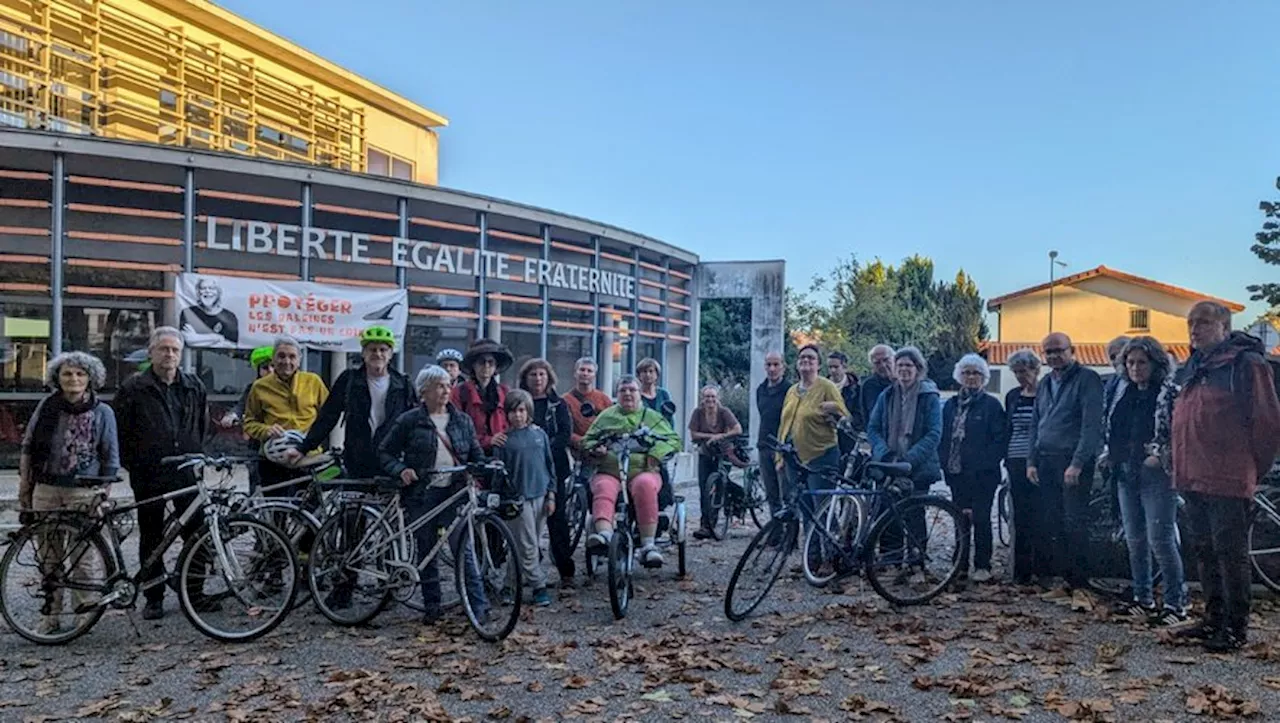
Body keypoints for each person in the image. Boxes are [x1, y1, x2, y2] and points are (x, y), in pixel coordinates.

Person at [1171, 301, 1280, 651]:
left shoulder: (1246, 364)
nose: (1194, 329)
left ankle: (1235, 628)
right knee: (1204, 550)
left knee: (1230, 553)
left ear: (1224, 327)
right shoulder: (1195, 366)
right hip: (1193, 475)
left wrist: (1251, 470)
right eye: (1191, 323)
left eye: (1203, 323)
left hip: (1228, 476)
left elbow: (1265, 421)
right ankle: (1213, 619)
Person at [378, 365, 488, 624]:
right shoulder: (409, 420)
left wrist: (481, 469)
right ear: (423, 392)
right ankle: (432, 606)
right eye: (440, 386)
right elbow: (385, 451)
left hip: (454, 493)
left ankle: (478, 606)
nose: (446, 390)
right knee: (427, 551)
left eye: (448, 385)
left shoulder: (462, 420)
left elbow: (475, 454)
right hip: (422, 493)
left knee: (464, 550)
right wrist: (402, 469)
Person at [19, 352, 119, 634]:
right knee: (49, 557)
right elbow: (28, 446)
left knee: (84, 557)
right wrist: (25, 488)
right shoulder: (47, 407)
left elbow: (111, 456)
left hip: (84, 493)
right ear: (57, 378)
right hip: (47, 489)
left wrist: (103, 491)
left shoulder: (103, 412)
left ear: (90, 379)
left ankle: (84, 613)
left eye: (79, 374)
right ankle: (50, 615)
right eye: (67, 374)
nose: (73, 379)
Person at [113, 327, 209, 621]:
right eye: (164, 349)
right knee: (152, 535)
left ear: (181, 354)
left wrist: (196, 454)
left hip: (184, 471)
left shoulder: (193, 385)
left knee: (197, 532)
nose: (169, 355)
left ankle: (195, 594)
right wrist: (135, 464)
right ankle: (153, 597)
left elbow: (201, 423)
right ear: (151, 352)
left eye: (174, 350)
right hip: (149, 473)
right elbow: (121, 431)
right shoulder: (133, 387)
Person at [1102, 336, 1187, 626]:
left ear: (1155, 363)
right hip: (1126, 472)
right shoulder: (1123, 392)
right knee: (1135, 540)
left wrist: (1160, 455)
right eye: (1130, 362)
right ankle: (1143, 597)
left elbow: (1179, 435)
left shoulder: (1169, 393)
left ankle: (1176, 603)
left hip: (1157, 476)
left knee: (1160, 541)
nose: (1135, 368)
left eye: (1141, 362)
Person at [1026, 332, 1104, 604]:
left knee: (1074, 524)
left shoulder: (1087, 380)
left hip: (1071, 463)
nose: (1053, 356)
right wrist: (1031, 460)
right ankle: (1065, 582)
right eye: (1048, 352)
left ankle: (1081, 585)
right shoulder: (1046, 382)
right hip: (1045, 461)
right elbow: (1036, 423)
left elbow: (1091, 425)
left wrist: (1078, 464)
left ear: (1072, 350)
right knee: (1053, 523)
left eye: (1059, 350)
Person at [581, 375, 680, 567]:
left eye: (632, 390)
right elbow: (587, 440)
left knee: (644, 485)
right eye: (623, 390)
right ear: (617, 395)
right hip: (610, 470)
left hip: (643, 469)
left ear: (639, 394)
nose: (627, 394)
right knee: (602, 487)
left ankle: (648, 545)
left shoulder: (652, 416)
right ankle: (604, 535)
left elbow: (673, 440)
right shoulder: (606, 416)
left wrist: (656, 453)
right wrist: (596, 448)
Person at [297, 327, 412, 478]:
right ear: (363, 353)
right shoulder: (349, 380)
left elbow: (411, 423)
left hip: (390, 461)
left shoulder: (403, 385)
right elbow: (328, 416)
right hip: (357, 460)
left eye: (383, 350)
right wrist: (303, 448)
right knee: (354, 500)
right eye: (372, 349)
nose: (377, 354)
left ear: (390, 354)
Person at [867, 347, 943, 554]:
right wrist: (886, 455)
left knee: (914, 514)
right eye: (899, 365)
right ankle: (891, 557)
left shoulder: (929, 396)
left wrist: (909, 460)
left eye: (908, 365)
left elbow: (934, 433)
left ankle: (916, 562)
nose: (903, 369)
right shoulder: (887, 395)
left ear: (918, 368)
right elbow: (873, 428)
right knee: (889, 514)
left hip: (917, 465)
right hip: (889, 463)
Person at [939, 354, 1006, 583]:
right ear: (959, 376)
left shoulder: (992, 405)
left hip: (983, 475)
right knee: (960, 519)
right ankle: (960, 563)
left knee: (981, 518)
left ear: (984, 377)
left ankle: (982, 565)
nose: (971, 377)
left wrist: (983, 465)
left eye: (976, 373)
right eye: (966, 372)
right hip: (956, 473)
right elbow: (943, 436)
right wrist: (944, 463)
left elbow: (999, 440)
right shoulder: (949, 405)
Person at [243, 336, 329, 495]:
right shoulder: (259, 387)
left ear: (299, 360)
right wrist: (265, 430)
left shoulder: (313, 382)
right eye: (281, 356)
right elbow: (249, 422)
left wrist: (315, 438)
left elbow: (328, 415)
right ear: (273, 359)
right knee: (277, 513)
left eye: (292, 356)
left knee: (309, 514)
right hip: (273, 460)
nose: (286, 361)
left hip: (309, 458)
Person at [517, 358, 576, 586]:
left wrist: (542, 448)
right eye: (533, 375)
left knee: (557, 520)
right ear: (525, 378)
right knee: (526, 523)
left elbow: (565, 434)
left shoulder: (558, 404)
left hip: (554, 468)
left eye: (541, 374)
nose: (537, 379)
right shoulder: (519, 403)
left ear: (549, 377)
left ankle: (566, 570)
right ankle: (527, 572)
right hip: (525, 470)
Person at [495, 389, 557, 607]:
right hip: (517, 499)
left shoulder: (540, 435)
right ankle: (539, 585)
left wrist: (551, 494)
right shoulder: (503, 442)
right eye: (512, 411)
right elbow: (498, 475)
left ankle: (509, 585)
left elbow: (549, 466)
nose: (517, 415)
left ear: (528, 411)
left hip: (540, 496)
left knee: (524, 545)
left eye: (521, 410)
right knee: (528, 546)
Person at [776, 344, 849, 522]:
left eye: (811, 358)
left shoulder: (827, 387)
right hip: (794, 458)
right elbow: (784, 423)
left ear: (818, 365)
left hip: (820, 456)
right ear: (796, 364)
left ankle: (831, 548)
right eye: (802, 358)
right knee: (805, 509)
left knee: (822, 509)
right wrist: (779, 455)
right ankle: (812, 550)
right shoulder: (792, 391)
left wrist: (835, 410)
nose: (806, 360)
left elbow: (845, 417)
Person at [1004, 349, 1048, 585]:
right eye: (1017, 372)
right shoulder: (1012, 396)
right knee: (1020, 515)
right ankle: (1021, 572)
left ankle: (1042, 569)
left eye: (1025, 371)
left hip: (1040, 461)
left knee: (1041, 514)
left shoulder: (1047, 393)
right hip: (1015, 459)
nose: (1021, 376)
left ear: (1035, 369)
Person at [688, 384, 743, 539]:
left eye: (713, 396)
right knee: (703, 488)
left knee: (720, 486)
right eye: (707, 397)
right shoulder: (698, 413)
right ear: (702, 398)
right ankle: (704, 524)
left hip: (724, 452)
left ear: (718, 398)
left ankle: (714, 521)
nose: (710, 400)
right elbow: (693, 434)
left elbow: (737, 429)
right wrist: (709, 437)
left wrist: (720, 436)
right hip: (705, 453)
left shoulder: (724, 412)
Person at [217, 346, 274, 491]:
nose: (270, 371)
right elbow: (241, 406)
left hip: (279, 444)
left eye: (273, 366)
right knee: (254, 481)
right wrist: (231, 416)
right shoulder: (253, 388)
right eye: (265, 367)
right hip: (257, 444)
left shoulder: (287, 389)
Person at [451, 338, 511, 454]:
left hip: (501, 453)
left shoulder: (505, 392)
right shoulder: (459, 392)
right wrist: (487, 441)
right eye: (481, 362)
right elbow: (457, 429)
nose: (486, 366)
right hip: (471, 456)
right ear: (473, 365)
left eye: (491, 362)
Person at [756, 351, 793, 518]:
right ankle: (775, 534)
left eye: (776, 364)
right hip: (764, 445)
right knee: (771, 494)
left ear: (783, 367)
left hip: (783, 447)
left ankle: (790, 537)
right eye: (769, 364)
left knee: (787, 494)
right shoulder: (760, 390)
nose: (772, 368)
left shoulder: (790, 390)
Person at [562, 357, 613, 457]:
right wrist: (587, 444)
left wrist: (605, 445)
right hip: (577, 454)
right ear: (575, 373)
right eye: (582, 370)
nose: (585, 373)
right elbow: (565, 430)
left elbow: (612, 425)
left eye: (589, 371)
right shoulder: (565, 401)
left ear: (594, 376)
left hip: (603, 452)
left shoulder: (604, 399)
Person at [180, 276, 239, 347]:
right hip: (191, 357)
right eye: (203, 288)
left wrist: (196, 338)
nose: (207, 291)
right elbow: (188, 340)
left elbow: (231, 346)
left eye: (211, 288)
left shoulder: (229, 317)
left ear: (218, 293)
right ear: (198, 293)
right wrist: (217, 337)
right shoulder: (188, 312)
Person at [827, 350, 863, 435]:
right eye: (830, 367)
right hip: (826, 435)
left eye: (836, 367)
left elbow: (860, 415)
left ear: (844, 367)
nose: (833, 370)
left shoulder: (856, 389)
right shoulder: (822, 387)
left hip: (849, 435)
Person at [861, 345, 895, 429]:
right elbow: (865, 415)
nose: (883, 365)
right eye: (877, 362)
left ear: (894, 359)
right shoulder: (868, 385)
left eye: (886, 360)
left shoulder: (906, 381)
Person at [636, 357, 675, 427]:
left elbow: (670, 416)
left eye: (651, 371)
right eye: (644, 371)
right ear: (639, 375)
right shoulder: (636, 394)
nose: (648, 374)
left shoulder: (664, 394)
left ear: (657, 374)